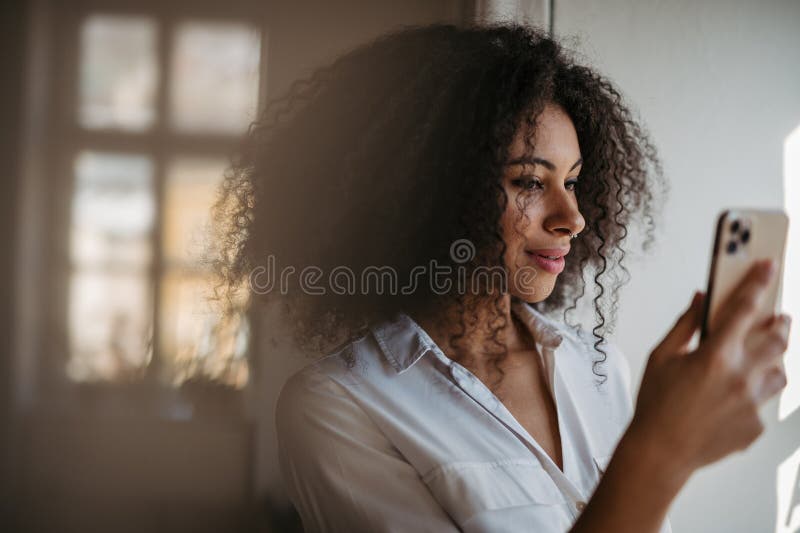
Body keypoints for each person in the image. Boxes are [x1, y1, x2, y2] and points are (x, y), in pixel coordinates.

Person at [212, 22, 792, 532]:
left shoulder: (599, 370)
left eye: (573, 180)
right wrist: (662, 452)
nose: (573, 218)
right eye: (530, 182)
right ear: (429, 194)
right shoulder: (337, 407)